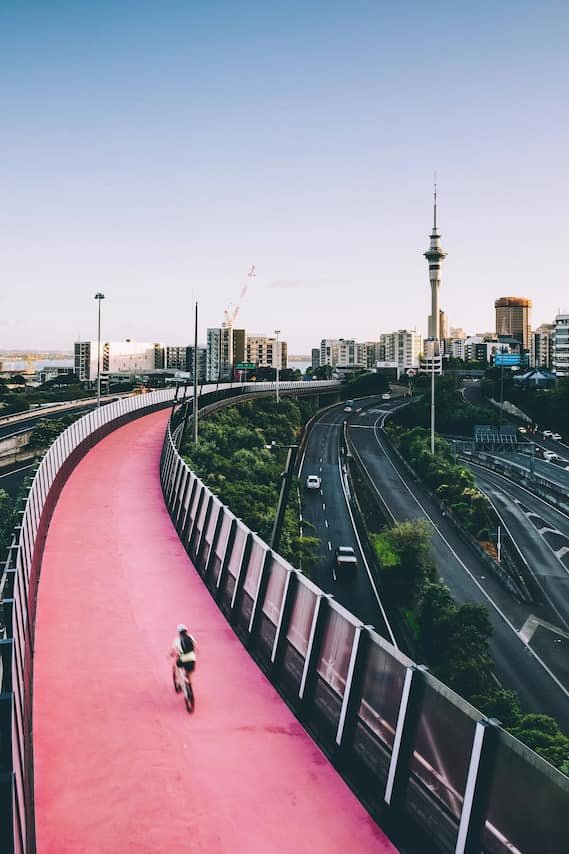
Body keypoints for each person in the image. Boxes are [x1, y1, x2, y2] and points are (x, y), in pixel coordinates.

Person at [171, 624, 197, 692]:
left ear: (179, 632)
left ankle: (179, 683)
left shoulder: (177, 640)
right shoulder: (191, 637)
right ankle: (190, 688)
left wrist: (170, 655)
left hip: (183, 658)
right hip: (192, 658)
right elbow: (195, 647)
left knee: (176, 666)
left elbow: (173, 651)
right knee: (189, 674)